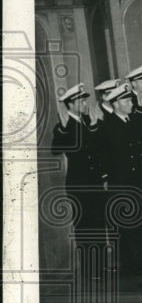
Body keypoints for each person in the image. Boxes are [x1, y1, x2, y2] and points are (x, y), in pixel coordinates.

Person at [99, 83, 142, 274]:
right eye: (126, 100)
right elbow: (104, 156)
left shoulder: (134, 121)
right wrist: (106, 178)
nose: (131, 102)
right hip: (121, 181)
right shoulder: (107, 125)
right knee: (126, 223)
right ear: (115, 104)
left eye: (130, 99)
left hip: (139, 178)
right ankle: (131, 264)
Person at [51, 84, 101, 235]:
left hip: (95, 179)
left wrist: (94, 126)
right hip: (79, 182)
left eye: (85, 101)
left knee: (98, 222)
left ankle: (101, 258)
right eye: (80, 102)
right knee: (84, 225)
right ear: (70, 105)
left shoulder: (89, 120)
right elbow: (56, 150)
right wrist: (64, 129)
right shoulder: (63, 126)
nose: (84, 104)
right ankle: (88, 259)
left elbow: (99, 148)